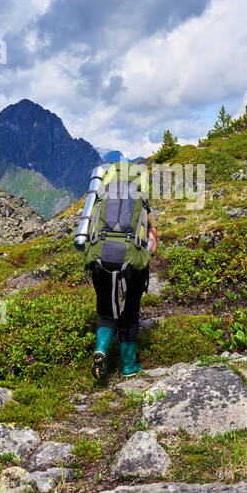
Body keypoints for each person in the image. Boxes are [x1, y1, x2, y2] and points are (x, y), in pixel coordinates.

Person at [81, 162, 158, 379]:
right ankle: (129, 365)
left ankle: (101, 349)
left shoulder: (100, 200)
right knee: (130, 309)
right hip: (131, 260)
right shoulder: (142, 203)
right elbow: (152, 241)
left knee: (107, 309)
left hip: (100, 256)